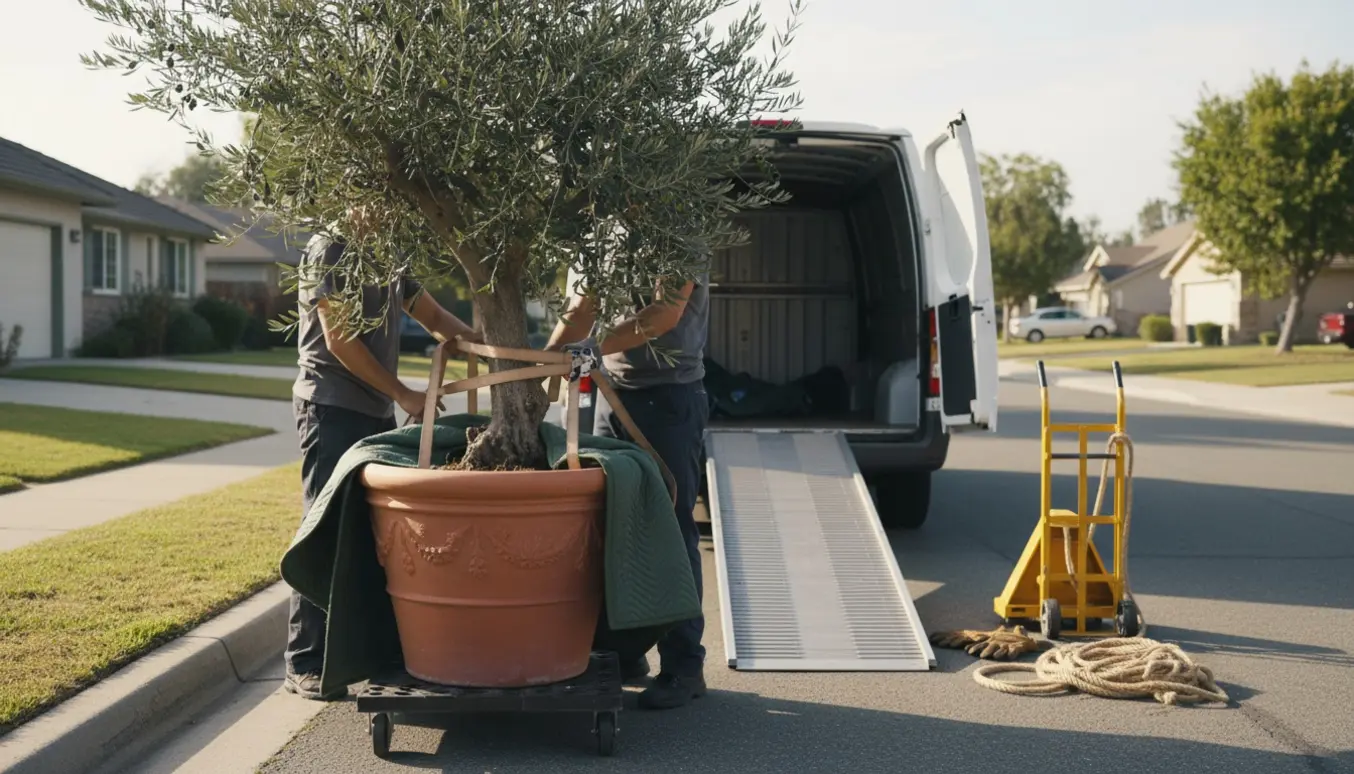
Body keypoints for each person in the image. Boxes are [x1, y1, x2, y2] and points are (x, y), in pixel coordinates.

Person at [285, 207, 479, 700]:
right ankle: (305, 660)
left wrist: (485, 345)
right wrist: (404, 394)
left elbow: (431, 315)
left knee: (374, 532)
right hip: (330, 406)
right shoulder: (330, 247)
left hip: (370, 408)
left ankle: (368, 651)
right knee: (325, 526)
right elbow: (340, 340)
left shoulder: (386, 248)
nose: (386, 205)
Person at [546, 267, 711, 710]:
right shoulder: (606, 227)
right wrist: (545, 362)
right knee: (611, 527)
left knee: (670, 530)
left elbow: (664, 314)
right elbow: (582, 308)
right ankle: (625, 651)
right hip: (608, 393)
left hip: (668, 398)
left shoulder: (679, 220)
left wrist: (592, 349)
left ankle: (684, 666)